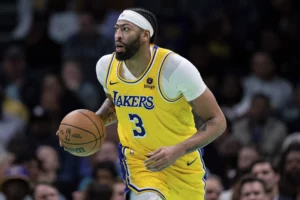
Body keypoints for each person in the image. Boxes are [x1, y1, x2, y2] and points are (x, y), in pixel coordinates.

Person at [58, 8, 227, 200]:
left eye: (126, 29)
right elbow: (116, 103)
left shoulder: (174, 69)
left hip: (182, 163)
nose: (118, 36)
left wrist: (178, 150)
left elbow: (217, 121)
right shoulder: (106, 67)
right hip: (139, 162)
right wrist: (94, 121)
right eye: (116, 29)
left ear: (145, 35)